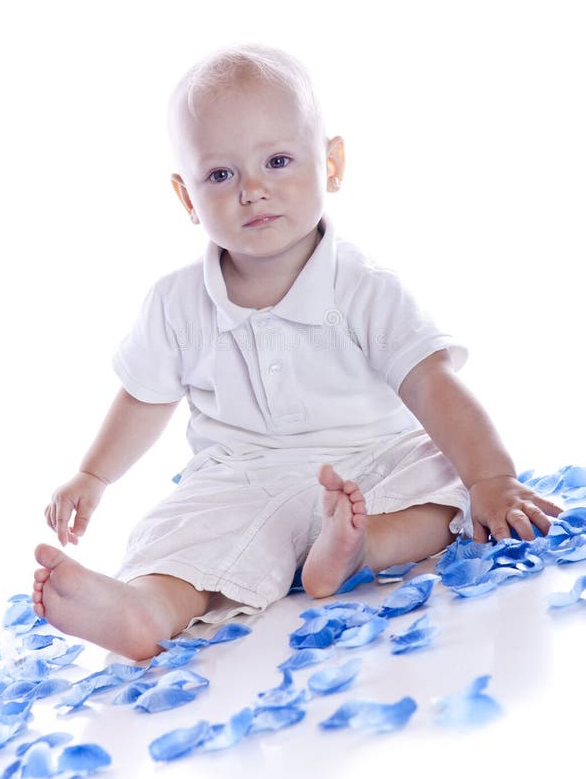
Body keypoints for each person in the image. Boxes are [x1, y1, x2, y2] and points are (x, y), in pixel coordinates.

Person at [32, 44, 562, 661]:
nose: (253, 190)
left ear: (331, 163)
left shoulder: (363, 286)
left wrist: (492, 478)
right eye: (221, 175)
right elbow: (144, 396)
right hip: (241, 475)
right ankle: (148, 606)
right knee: (186, 527)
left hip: (372, 463)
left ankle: (362, 546)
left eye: (278, 161)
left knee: (442, 474)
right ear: (186, 198)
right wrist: (93, 476)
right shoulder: (177, 303)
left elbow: (431, 385)